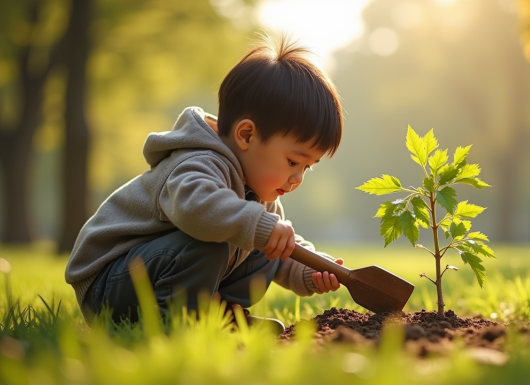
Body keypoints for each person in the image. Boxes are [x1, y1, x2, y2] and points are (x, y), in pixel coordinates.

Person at [64, 34, 344, 334]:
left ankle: (214, 314)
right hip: (109, 285)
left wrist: (311, 269)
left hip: (152, 275)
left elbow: (281, 245)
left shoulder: (261, 195)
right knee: (216, 241)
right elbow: (197, 210)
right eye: (292, 162)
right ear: (247, 135)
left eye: (307, 168)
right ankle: (174, 323)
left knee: (266, 246)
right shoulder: (197, 162)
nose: (298, 178)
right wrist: (261, 227)